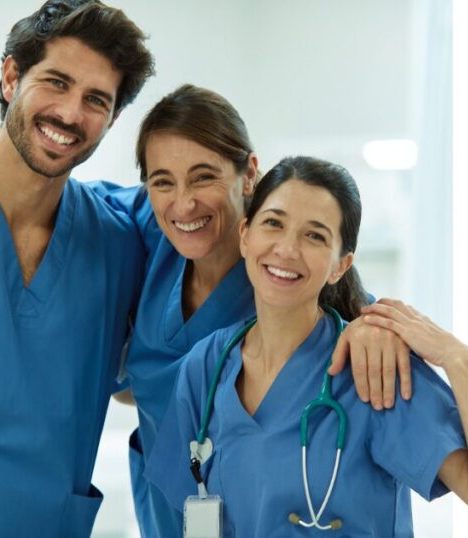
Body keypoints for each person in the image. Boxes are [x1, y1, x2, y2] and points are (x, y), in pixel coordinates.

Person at [145, 156, 468, 536]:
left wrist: (459, 360)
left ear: (340, 265)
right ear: (245, 235)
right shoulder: (206, 368)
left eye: (315, 235)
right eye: (273, 223)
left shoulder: (374, 369)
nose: (287, 249)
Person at [115, 84, 415, 537]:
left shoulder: (284, 280)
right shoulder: (152, 235)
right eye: (162, 181)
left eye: (203, 177)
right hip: (166, 514)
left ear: (249, 173)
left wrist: (375, 328)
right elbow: (65, 197)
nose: (183, 202)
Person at [0, 1, 155, 536]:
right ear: (11, 77)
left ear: (114, 118)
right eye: (56, 82)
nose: (71, 114)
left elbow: (245, 238)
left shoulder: (124, 239)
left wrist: (362, 317)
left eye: (96, 99)